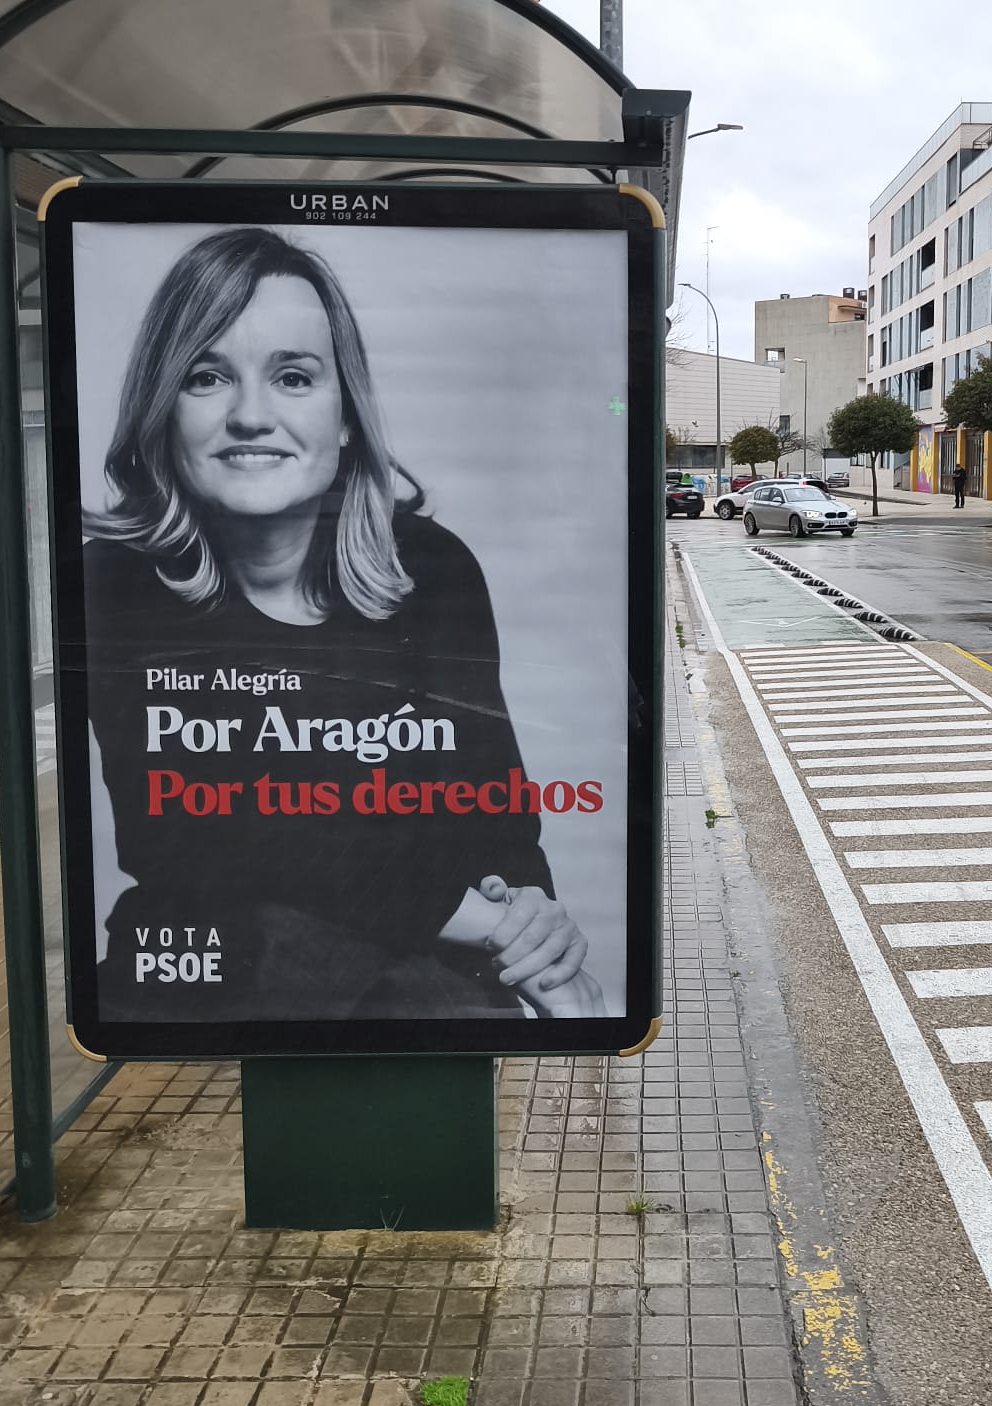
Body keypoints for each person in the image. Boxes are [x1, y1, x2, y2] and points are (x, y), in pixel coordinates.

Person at [81, 225, 605, 1024]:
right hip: (223, 980)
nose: (250, 415)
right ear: (162, 405)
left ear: (347, 415)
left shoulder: (429, 566)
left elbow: (492, 801)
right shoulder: (116, 582)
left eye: (293, 377)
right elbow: (205, 831)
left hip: (429, 969)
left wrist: (532, 919)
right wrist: (491, 926)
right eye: (206, 376)